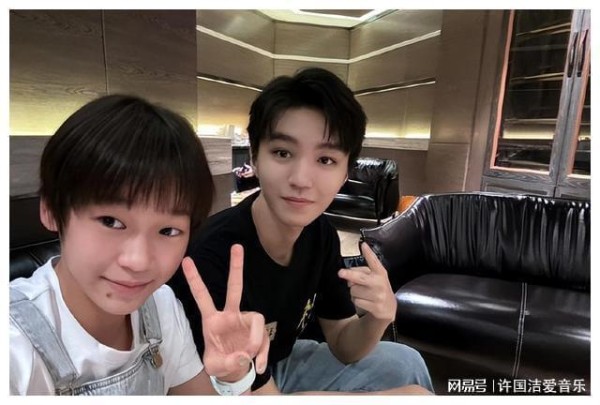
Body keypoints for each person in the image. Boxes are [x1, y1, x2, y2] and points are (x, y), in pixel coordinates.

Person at [168, 68, 434, 394]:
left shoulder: (321, 234)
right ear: (254, 158)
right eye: (283, 153)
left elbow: (344, 343)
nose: (301, 179)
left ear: (345, 173)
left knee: (406, 362)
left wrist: (380, 316)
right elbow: (238, 386)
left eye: (325, 159)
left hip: (280, 362)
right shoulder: (212, 255)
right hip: (223, 384)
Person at [9, 95, 269, 395]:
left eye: (168, 230)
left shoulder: (160, 305)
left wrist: (234, 376)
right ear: (52, 210)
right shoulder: (14, 345)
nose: (139, 261)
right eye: (111, 222)